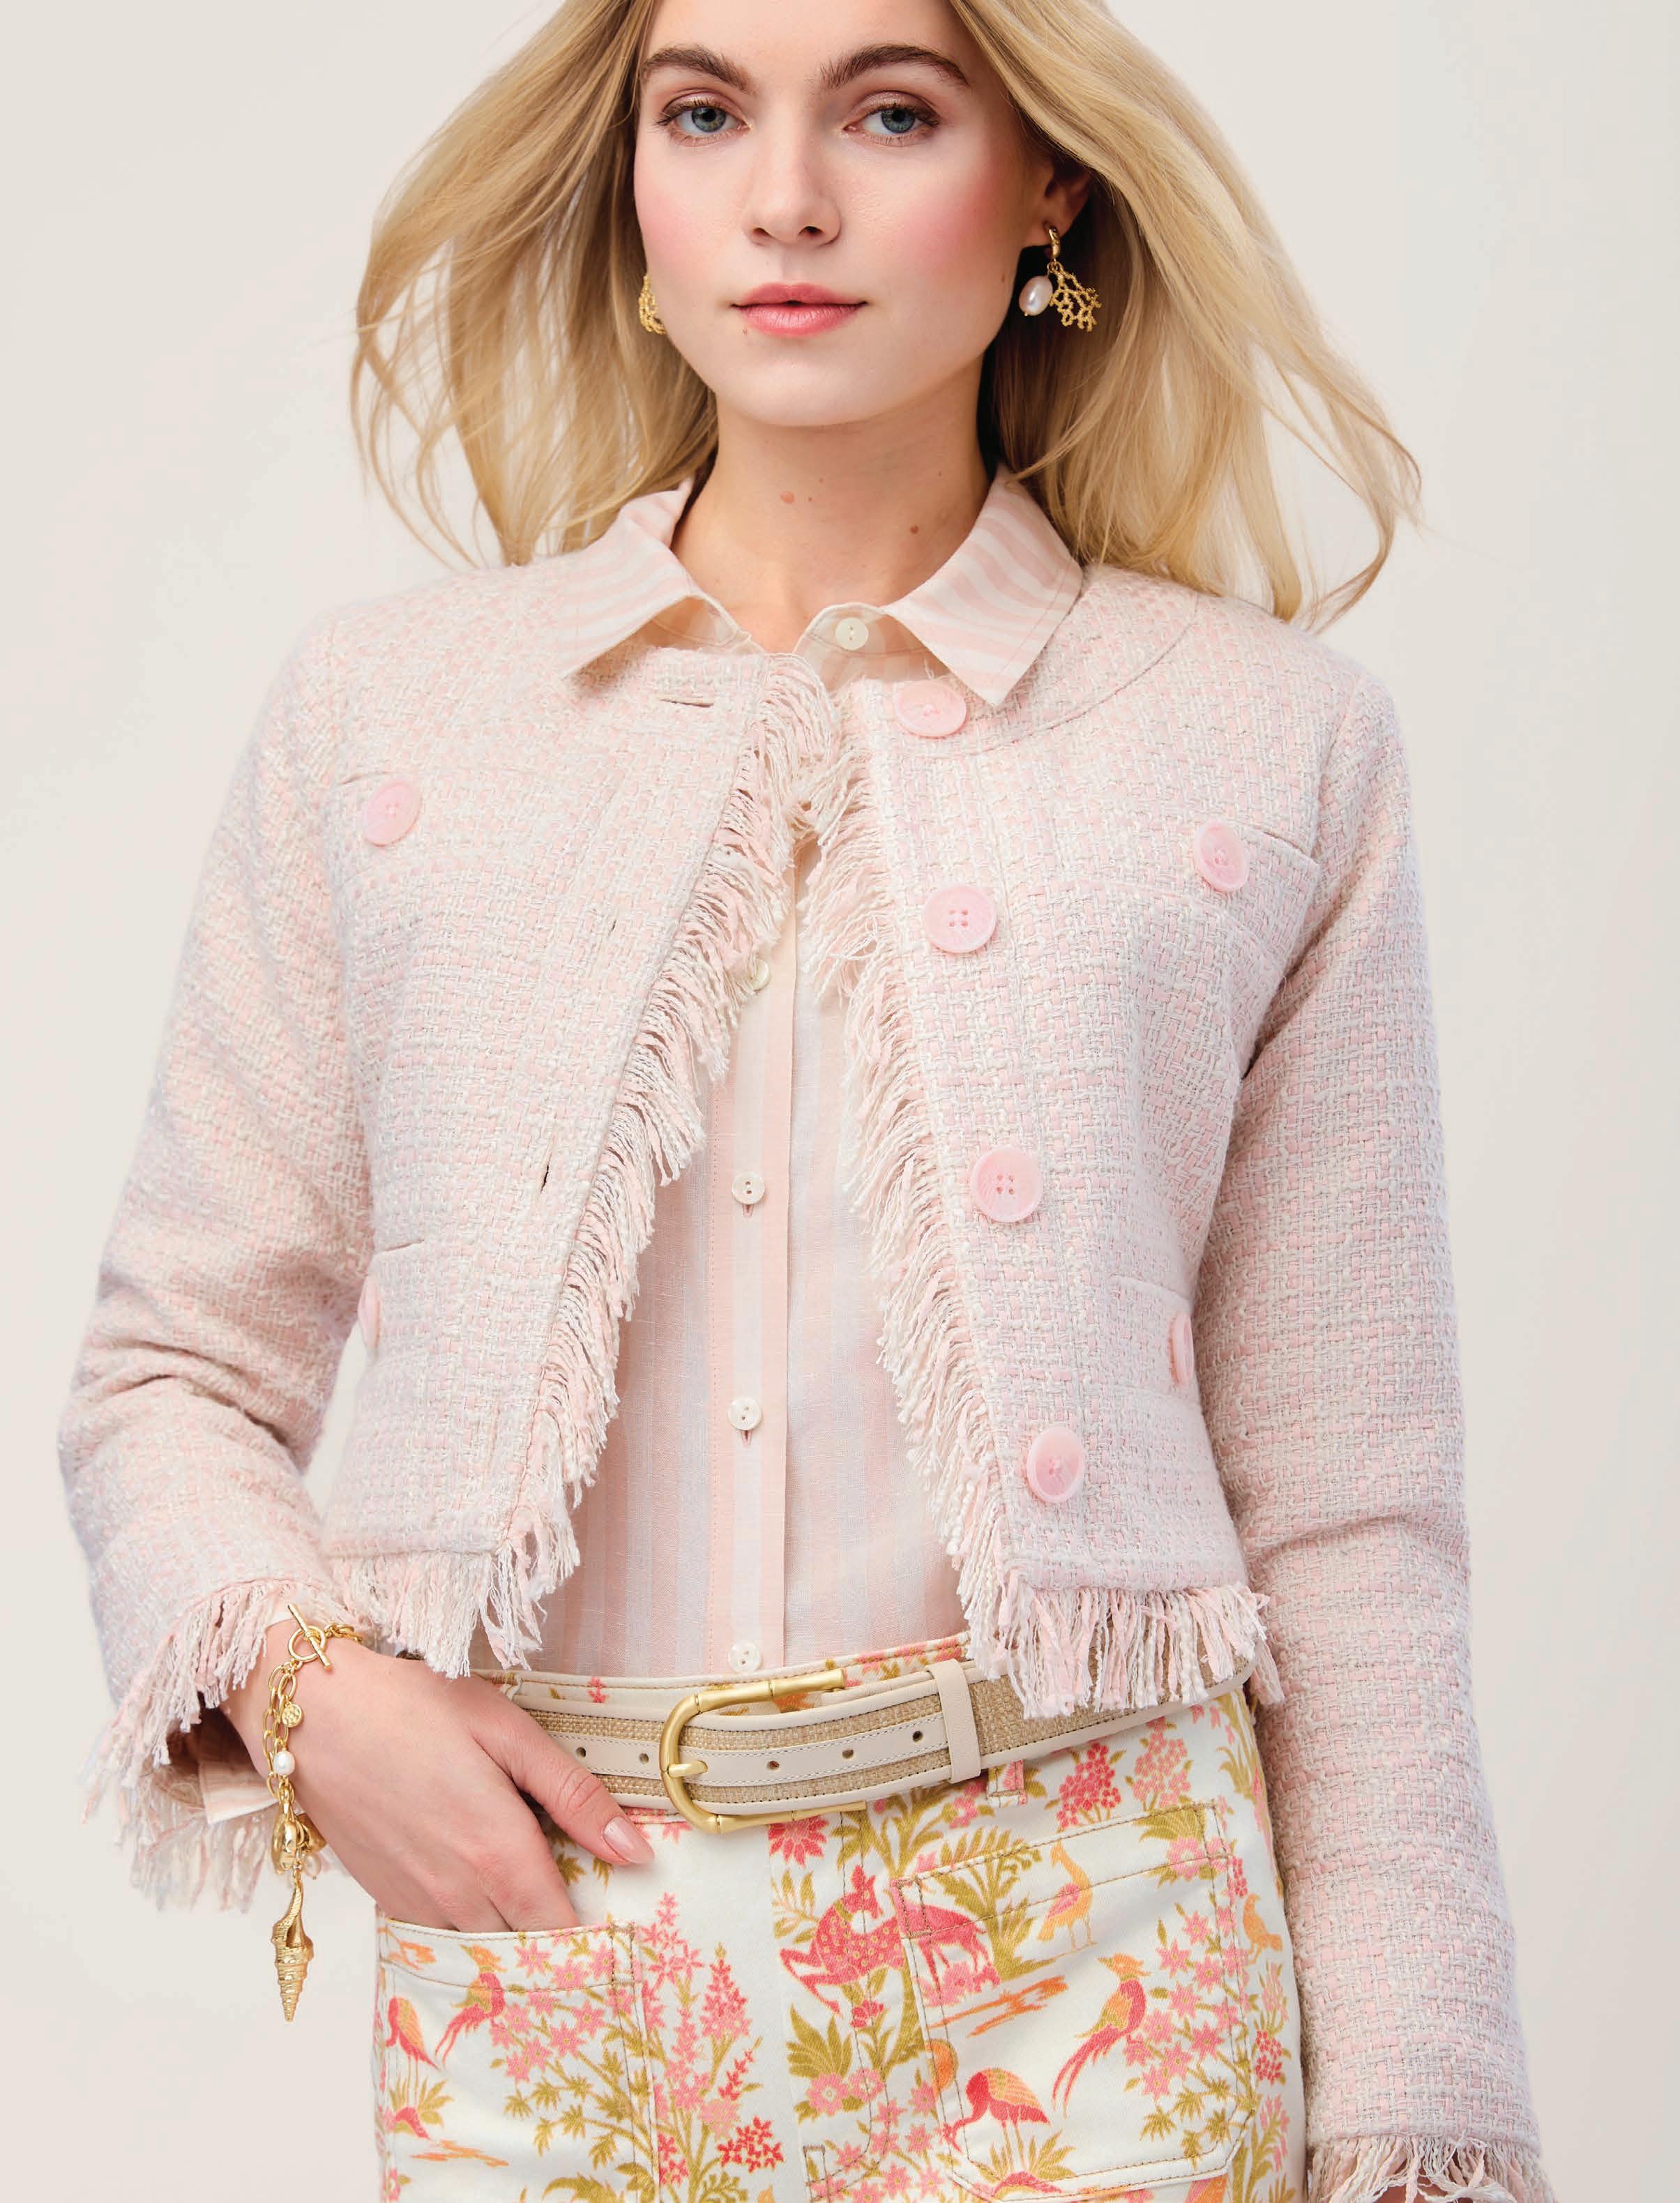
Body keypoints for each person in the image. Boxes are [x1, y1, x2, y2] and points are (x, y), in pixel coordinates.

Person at [59, 3, 1557, 2199]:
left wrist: (1420, 2106)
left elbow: (1348, 1509)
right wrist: (314, 1702)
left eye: (889, 111)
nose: (784, 198)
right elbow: (172, 1369)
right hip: (554, 1953)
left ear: (1046, 183)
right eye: (702, 113)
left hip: (1103, 1958)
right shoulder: (387, 720)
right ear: (631, 182)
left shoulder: (1266, 743)